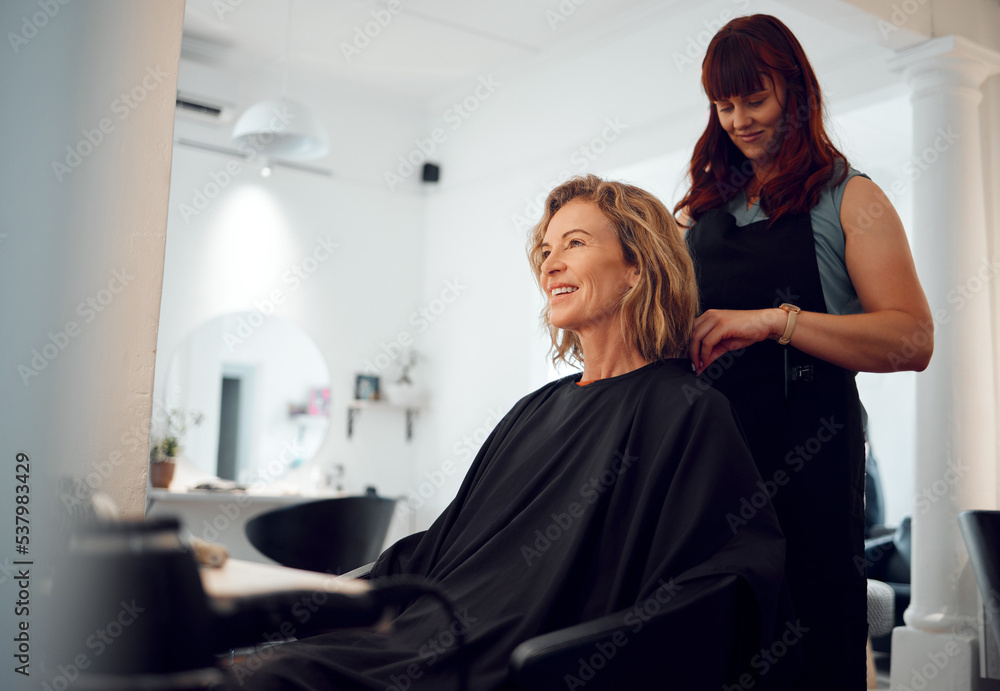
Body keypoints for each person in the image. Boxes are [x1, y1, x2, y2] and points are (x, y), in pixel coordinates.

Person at [224, 175, 792, 690]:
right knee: (237, 671)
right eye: (545, 251)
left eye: (574, 243)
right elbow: (444, 547)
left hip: (523, 665)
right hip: (424, 638)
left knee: (272, 678)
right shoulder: (534, 410)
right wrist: (326, 598)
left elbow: (724, 579)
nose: (550, 265)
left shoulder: (687, 411)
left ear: (637, 268)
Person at [675, 14, 933, 690]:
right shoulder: (699, 213)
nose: (738, 120)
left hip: (811, 459)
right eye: (723, 105)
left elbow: (913, 338)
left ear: (796, 92)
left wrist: (775, 322)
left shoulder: (851, 198)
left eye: (754, 99)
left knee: (811, 639)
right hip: (712, 464)